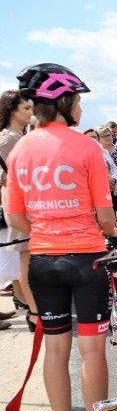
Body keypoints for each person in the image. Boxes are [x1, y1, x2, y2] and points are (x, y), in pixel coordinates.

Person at [5, 62, 117, 411]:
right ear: (63, 101)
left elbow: (14, 217)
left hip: (42, 261)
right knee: (92, 349)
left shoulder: (21, 147)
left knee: (55, 347)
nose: (80, 108)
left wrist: (46, 226)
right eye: (77, 100)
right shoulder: (87, 146)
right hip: (87, 260)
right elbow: (107, 217)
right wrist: (106, 230)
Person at [0, 89, 37, 332]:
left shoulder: (17, 135)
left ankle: (33, 310)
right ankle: (35, 313)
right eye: (26, 108)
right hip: (17, 206)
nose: (31, 112)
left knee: (23, 261)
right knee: (24, 260)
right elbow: (3, 176)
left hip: (21, 203)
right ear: (12, 110)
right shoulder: (9, 138)